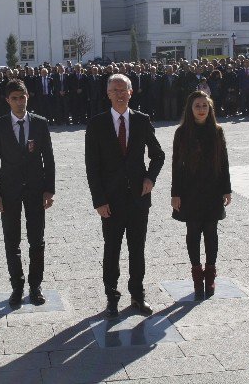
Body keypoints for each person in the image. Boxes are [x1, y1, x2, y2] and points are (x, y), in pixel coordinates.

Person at [85, 73, 165, 319]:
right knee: (112, 249)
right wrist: (99, 200)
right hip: (110, 200)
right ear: (108, 94)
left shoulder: (142, 121)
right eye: (115, 90)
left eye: (124, 90)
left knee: (137, 248)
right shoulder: (97, 124)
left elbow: (158, 154)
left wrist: (150, 178)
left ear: (131, 92)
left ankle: (137, 295)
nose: (120, 94)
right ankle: (111, 297)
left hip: (138, 198)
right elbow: (92, 166)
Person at [0, 79, 55, 308]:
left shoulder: (40, 123)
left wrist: (49, 189)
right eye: (14, 98)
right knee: (12, 241)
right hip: (9, 190)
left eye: (22, 97)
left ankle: (35, 286)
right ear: (7, 100)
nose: (19, 102)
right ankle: (17, 286)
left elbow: (49, 159)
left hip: (36, 190)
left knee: (37, 240)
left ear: (28, 97)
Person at [171, 91, 231, 299]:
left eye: (205, 106)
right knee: (193, 231)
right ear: (190, 109)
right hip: (190, 191)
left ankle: (211, 274)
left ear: (210, 108)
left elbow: (223, 162)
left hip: (213, 190)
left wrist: (227, 188)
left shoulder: (217, 131)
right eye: (197, 106)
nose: (201, 109)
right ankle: (197, 274)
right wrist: (175, 193)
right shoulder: (182, 133)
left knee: (211, 232)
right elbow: (177, 165)